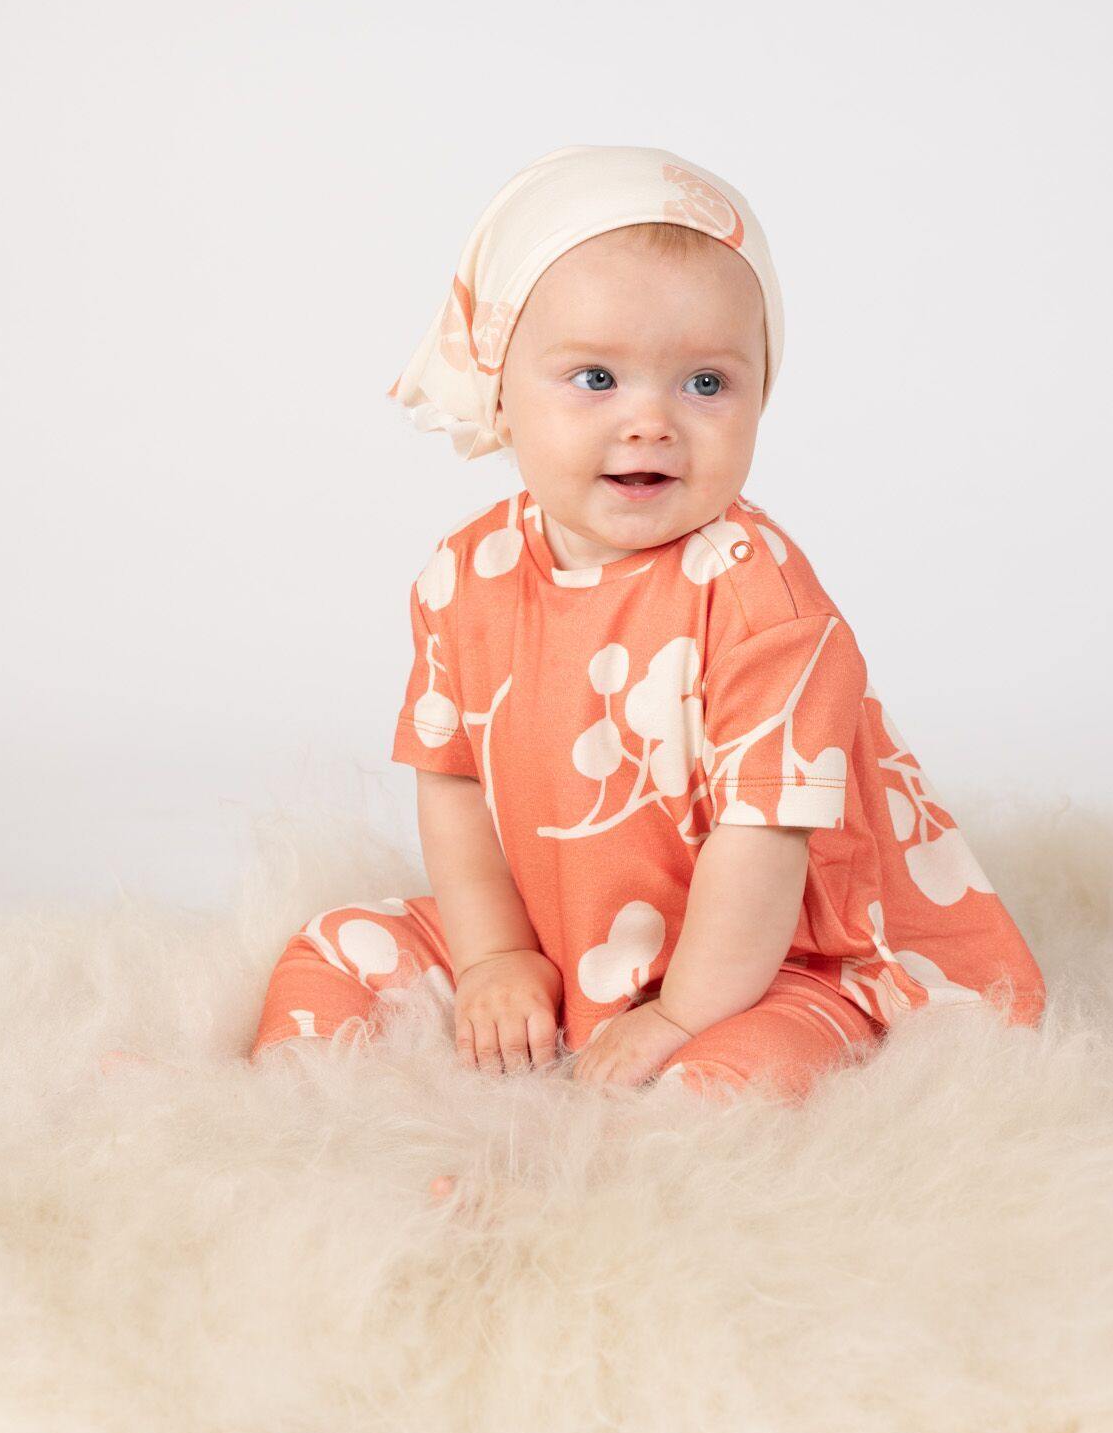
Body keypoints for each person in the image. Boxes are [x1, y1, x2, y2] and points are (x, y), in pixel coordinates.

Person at [248, 144, 1046, 1197]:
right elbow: (448, 777)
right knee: (333, 944)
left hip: (769, 954)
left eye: (706, 381)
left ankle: (574, 1184)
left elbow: (761, 841)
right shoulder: (463, 573)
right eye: (594, 377)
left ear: (761, 392)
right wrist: (493, 956)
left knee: (727, 1077)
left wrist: (677, 1014)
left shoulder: (761, 600)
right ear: (501, 390)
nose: (651, 418)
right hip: (560, 915)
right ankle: (298, 1126)